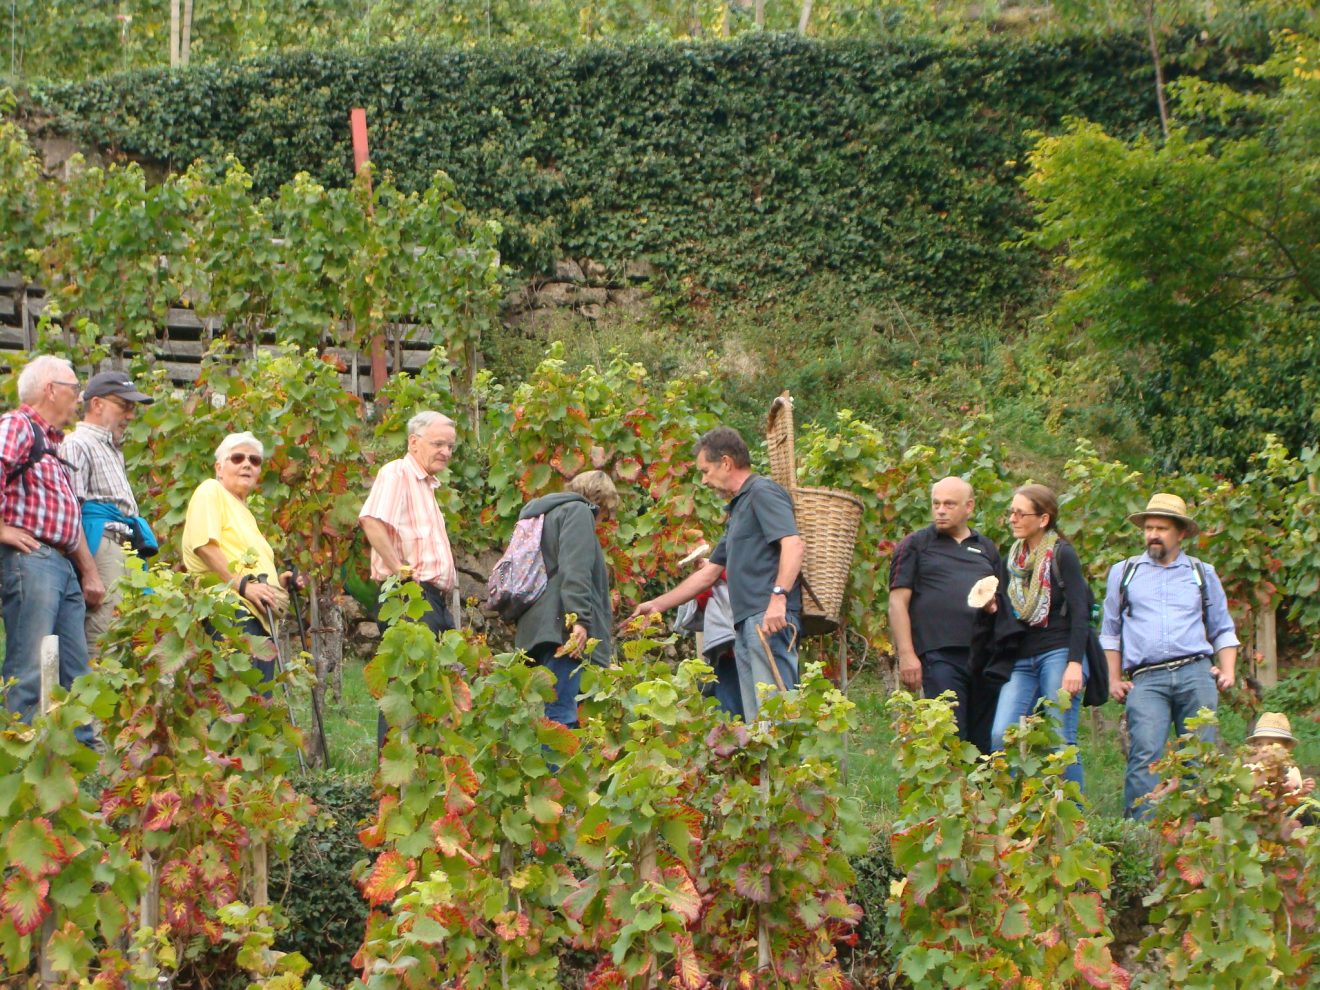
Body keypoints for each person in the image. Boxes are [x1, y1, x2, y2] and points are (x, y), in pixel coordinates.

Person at [628, 427, 803, 720]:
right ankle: (773, 767)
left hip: (769, 620)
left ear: (726, 462)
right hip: (748, 622)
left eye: (706, 471)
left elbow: (793, 544)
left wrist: (779, 598)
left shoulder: (763, 492)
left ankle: (792, 768)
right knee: (759, 723)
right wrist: (657, 605)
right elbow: (709, 574)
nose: (705, 480)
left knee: (779, 718)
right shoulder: (739, 510)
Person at [1100, 492, 1239, 820]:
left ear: (1181, 533)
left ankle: (1197, 841)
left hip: (1196, 673)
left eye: (1161, 528)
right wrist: (1113, 678)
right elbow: (1110, 631)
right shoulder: (1124, 572)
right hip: (1147, 679)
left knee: (1199, 757)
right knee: (1145, 756)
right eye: (1149, 527)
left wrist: (1229, 670)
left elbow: (1222, 627)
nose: (1153, 534)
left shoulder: (1201, 573)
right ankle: (1140, 840)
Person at [0, 356, 104, 739]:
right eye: (74, 388)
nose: (79, 397)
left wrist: (89, 571)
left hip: (61, 567)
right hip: (32, 561)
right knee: (28, 667)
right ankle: (17, 765)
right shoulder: (18, 425)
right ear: (50, 389)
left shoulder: (53, 446)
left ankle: (83, 777)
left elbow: (67, 517)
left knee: (76, 674)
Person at [359, 411, 459, 744]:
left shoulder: (426, 486)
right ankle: (394, 781)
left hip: (428, 597)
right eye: (438, 443)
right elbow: (371, 521)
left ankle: (418, 771)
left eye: (450, 446)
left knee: (427, 685)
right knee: (406, 686)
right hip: (409, 595)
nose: (445, 451)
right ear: (413, 443)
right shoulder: (398, 473)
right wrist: (401, 571)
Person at [888, 476, 1001, 752]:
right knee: (950, 735)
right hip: (940, 655)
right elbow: (897, 603)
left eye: (949, 504)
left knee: (985, 743)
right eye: (936, 504)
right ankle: (951, 794)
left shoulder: (986, 548)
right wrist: (906, 654)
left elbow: (1000, 600)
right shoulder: (915, 544)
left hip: (984, 657)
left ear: (969, 507)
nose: (940, 510)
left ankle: (980, 796)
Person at [988, 484, 1089, 786]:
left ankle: (1074, 824)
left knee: (1060, 738)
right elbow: (1015, 611)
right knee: (1001, 735)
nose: (1013, 518)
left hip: (1058, 652)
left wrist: (1075, 663)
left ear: (1043, 519)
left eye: (1021, 513)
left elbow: (1080, 611)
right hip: (1022, 658)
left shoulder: (1062, 554)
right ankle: (1015, 814)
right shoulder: (1013, 559)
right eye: (1011, 512)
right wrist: (995, 608)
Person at [181, 432, 297, 682]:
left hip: (257, 619)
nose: (247, 464)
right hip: (230, 614)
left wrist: (280, 585)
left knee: (255, 707)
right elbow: (205, 547)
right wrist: (245, 586)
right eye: (237, 457)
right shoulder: (211, 490)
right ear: (219, 467)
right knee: (235, 709)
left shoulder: (246, 514)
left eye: (254, 461)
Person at [59, 371, 155, 658]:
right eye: (124, 406)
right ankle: (96, 698)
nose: (130, 415)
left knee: (133, 632)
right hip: (102, 542)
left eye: (133, 408)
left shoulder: (110, 447)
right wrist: (89, 572)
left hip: (122, 543)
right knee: (106, 632)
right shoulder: (77, 443)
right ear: (97, 404)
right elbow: (71, 511)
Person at [514, 470, 618, 729]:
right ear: (600, 502)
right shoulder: (579, 512)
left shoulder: (544, 516)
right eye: (605, 514)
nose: (602, 521)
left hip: (540, 631)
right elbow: (576, 569)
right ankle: (558, 771)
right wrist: (580, 621)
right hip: (564, 631)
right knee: (563, 716)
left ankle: (551, 768)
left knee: (548, 716)